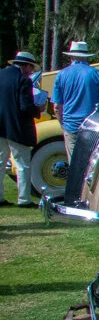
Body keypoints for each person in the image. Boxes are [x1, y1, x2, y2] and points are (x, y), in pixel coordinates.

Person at [51, 40, 99, 162]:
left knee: (75, 164)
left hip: (70, 125)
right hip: (92, 125)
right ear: (87, 57)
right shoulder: (97, 74)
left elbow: (57, 107)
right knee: (91, 163)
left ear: (71, 57)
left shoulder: (61, 75)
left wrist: (63, 124)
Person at [0, 51, 42, 206]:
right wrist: (38, 109)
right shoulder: (23, 80)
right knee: (22, 164)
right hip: (16, 128)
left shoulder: (1, 75)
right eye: (31, 68)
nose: (31, 71)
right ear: (26, 66)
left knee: (0, 162)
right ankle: (24, 199)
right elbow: (25, 107)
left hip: (0, 125)